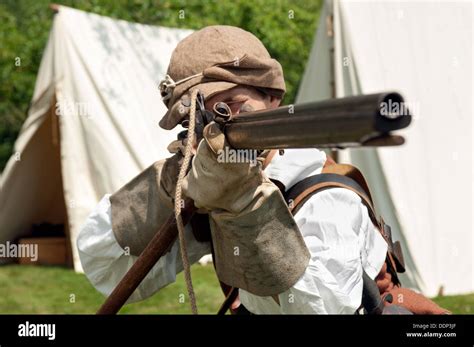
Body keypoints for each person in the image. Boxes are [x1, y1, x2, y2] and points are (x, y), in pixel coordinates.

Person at [77, 25, 447, 314]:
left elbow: (321, 310)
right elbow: (104, 265)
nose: (216, 129)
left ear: (272, 97)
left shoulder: (324, 194)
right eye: (198, 120)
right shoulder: (206, 183)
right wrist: (172, 182)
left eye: (233, 105)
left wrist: (243, 202)